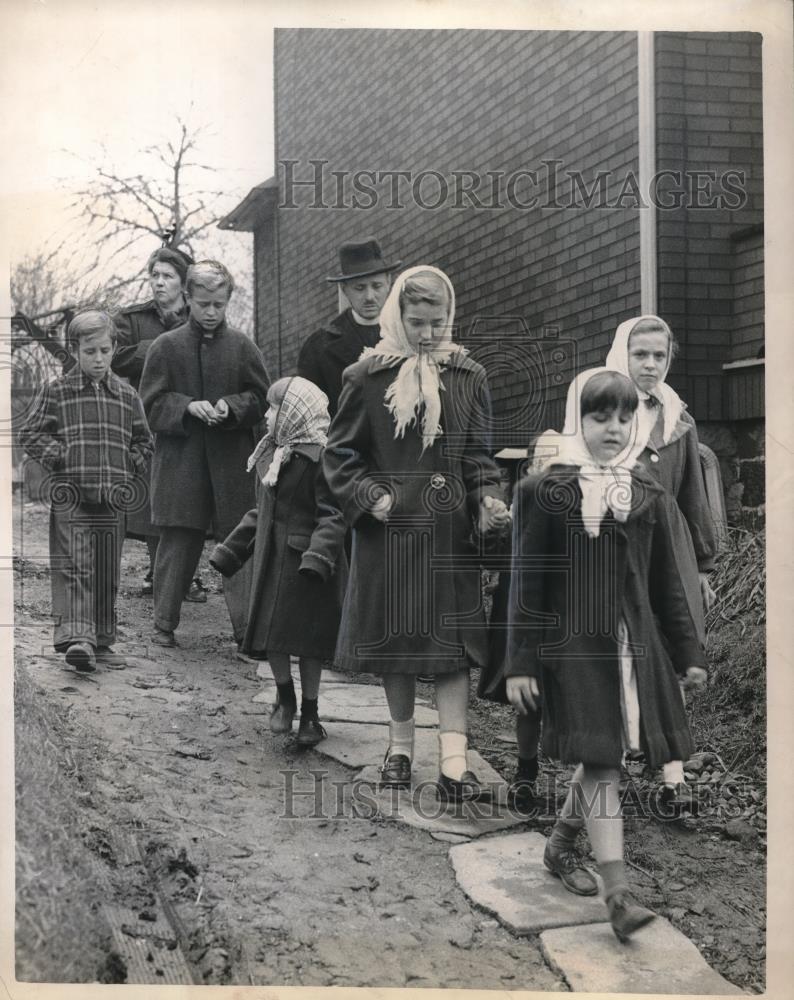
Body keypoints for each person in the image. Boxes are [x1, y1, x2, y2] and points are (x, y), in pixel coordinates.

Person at [503, 368, 707, 942]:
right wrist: (520, 661)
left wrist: (688, 651)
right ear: (578, 420)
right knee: (601, 761)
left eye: (624, 417)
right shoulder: (545, 492)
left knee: (604, 754)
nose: (613, 428)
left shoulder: (647, 492)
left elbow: (667, 582)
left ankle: (564, 842)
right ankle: (618, 892)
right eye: (599, 417)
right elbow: (527, 583)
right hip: (576, 650)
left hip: (634, 648)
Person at [324, 266, 510, 802]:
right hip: (392, 531)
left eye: (438, 322)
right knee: (397, 643)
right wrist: (370, 497)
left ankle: (455, 763)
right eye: (417, 322)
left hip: (449, 533)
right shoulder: (367, 376)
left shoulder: (468, 375)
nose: (428, 334)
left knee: (453, 648)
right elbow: (339, 454)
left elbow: (479, 457)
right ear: (397, 318)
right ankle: (400, 748)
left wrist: (488, 500)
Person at [605, 315, 717, 811]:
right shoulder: (604, 410)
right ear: (622, 355)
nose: (650, 365)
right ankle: (620, 751)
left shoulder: (679, 421)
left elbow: (692, 494)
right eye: (640, 354)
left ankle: (672, 776)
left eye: (659, 356)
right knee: (623, 648)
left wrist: (704, 567)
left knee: (674, 645)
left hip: (667, 552)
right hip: (616, 549)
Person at [139, 260, 270, 649]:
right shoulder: (166, 346)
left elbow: (262, 398)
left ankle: (248, 631)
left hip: (232, 463)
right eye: (202, 304)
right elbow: (149, 404)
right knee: (178, 541)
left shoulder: (243, 346)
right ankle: (164, 623)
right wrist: (186, 407)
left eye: (218, 304)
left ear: (227, 300)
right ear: (188, 299)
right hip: (182, 464)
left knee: (239, 541)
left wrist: (231, 406)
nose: (211, 313)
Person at [210, 377, 347, 746]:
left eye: (275, 408)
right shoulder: (271, 454)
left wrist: (320, 556)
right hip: (272, 563)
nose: (268, 415)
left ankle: (312, 714)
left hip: (306, 568)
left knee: (308, 644)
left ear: (296, 414)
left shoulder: (321, 460)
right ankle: (285, 695)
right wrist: (232, 550)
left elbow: (332, 515)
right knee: (273, 638)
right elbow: (262, 510)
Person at [20, 310, 153, 673]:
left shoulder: (126, 395)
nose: (98, 359)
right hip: (72, 497)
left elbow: (145, 441)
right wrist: (62, 457)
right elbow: (30, 434)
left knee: (106, 568)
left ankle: (102, 640)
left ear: (114, 349)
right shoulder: (58, 391)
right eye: (89, 351)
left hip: (113, 498)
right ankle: (79, 639)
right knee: (77, 567)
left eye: (105, 350)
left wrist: (129, 466)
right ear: (74, 350)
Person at [112, 245, 206, 602]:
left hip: (189, 418)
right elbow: (117, 356)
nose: (158, 283)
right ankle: (160, 573)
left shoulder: (200, 317)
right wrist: (162, 346)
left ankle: (190, 575)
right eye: (154, 275)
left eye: (167, 276)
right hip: (148, 420)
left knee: (191, 497)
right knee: (155, 499)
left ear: (183, 284)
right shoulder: (132, 319)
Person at [296, 237, 401, 417]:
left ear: (389, 282)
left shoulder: (408, 335)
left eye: (376, 286)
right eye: (360, 288)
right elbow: (311, 418)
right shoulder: (319, 347)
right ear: (344, 289)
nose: (369, 296)